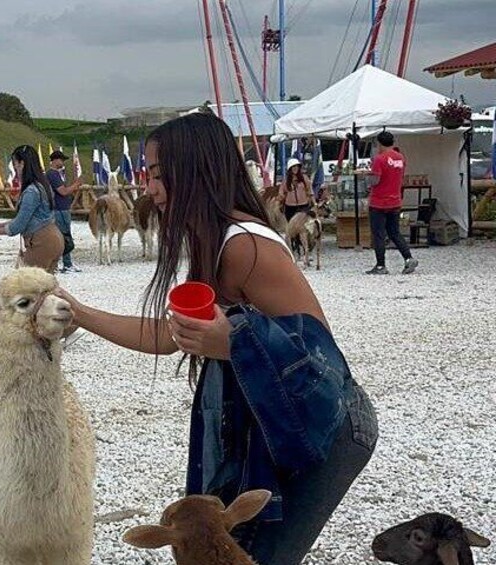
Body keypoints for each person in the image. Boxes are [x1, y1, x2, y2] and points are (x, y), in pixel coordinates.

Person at [55, 113, 378, 565]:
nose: (149, 189)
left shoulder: (244, 246)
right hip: (285, 423)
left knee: (252, 556)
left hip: (330, 427)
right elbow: (171, 336)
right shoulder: (216, 240)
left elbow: (320, 353)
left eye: (157, 176)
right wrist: (81, 313)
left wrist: (236, 345)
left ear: (196, 173)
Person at [0, 145, 63, 273]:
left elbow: (20, 225)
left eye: (15, 164)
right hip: (54, 239)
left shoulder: (31, 191)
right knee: (46, 288)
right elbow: (28, 218)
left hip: (41, 242)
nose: (15, 168)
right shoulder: (43, 185)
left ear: (22, 163)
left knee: (27, 288)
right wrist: (1, 224)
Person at [355, 131, 418, 275]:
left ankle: (380, 265)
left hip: (379, 202)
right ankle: (408, 258)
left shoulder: (379, 159)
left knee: (378, 234)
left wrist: (366, 175)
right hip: (395, 200)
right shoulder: (400, 158)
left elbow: (375, 181)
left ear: (379, 143)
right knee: (394, 232)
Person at [46, 149, 84, 273]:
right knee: (65, 236)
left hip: (59, 208)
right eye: (61, 160)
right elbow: (63, 191)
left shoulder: (53, 174)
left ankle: (56, 264)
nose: (63, 162)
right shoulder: (53, 174)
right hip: (60, 209)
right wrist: (76, 185)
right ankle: (66, 264)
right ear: (55, 160)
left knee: (60, 237)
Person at [278, 158, 314, 222]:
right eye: (293, 166)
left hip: (303, 206)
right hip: (290, 207)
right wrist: (280, 203)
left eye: (297, 166)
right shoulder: (285, 181)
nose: (295, 168)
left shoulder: (304, 178)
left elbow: (310, 191)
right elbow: (281, 194)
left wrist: (314, 202)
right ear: (290, 169)